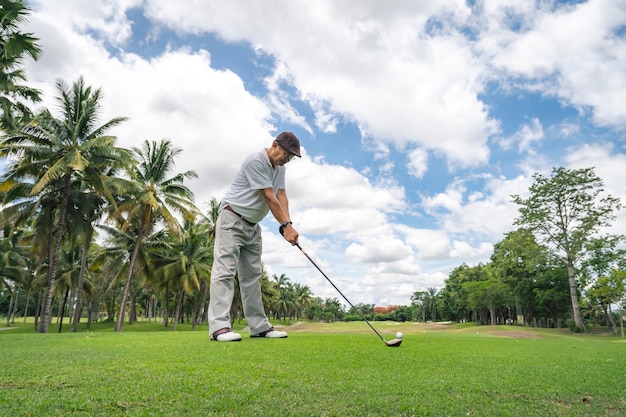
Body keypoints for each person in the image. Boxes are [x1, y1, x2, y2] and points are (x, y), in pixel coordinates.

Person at [208, 132, 301, 342]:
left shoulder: (280, 168)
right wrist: (284, 226)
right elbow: (268, 195)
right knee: (224, 271)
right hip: (232, 218)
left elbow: (281, 195)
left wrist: (289, 224)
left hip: (252, 225)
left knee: (252, 277)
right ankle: (219, 327)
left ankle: (259, 327)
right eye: (286, 154)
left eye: (291, 157)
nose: (286, 159)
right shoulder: (256, 161)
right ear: (274, 145)